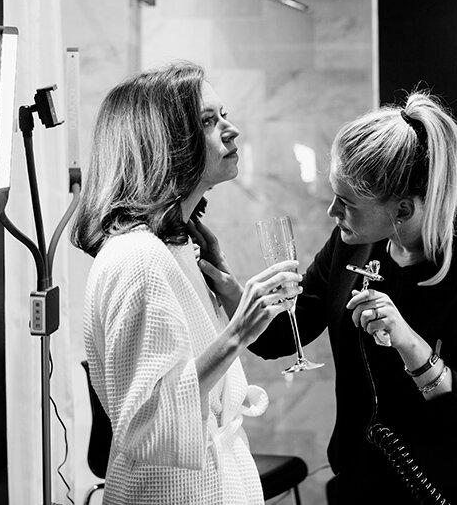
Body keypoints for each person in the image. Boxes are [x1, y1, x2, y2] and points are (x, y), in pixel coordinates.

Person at [193, 91, 457, 504]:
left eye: (346, 202)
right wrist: (227, 284)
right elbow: (278, 341)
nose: (332, 211)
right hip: (364, 483)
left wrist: (410, 343)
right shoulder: (350, 245)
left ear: (402, 209)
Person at [71, 61, 303, 505]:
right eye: (208, 121)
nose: (230, 129)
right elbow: (148, 423)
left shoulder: (174, 251)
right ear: (166, 143)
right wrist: (238, 332)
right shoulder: (137, 258)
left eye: (224, 114)